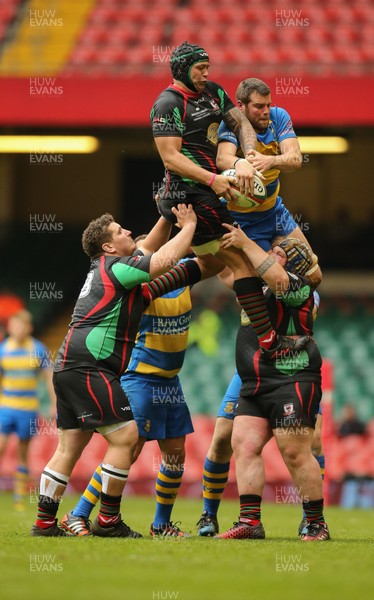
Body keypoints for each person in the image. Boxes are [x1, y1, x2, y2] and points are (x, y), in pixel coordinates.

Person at [30, 205, 198, 537]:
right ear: (108, 246)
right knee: (126, 437)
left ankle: (44, 522)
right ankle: (107, 520)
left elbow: (149, 249)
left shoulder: (108, 268)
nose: (127, 234)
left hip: (69, 364)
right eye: (120, 232)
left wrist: (165, 215)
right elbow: (160, 259)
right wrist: (189, 226)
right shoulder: (117, 266)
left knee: (68, 448)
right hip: (89, 365)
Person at [151, 41, 301, 362]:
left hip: (206, 192)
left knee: (214, 263)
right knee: (240, 263)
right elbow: (170, 158)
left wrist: (247, 156)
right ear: (181, 69)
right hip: (188, 193)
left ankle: (145, 291)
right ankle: (270, 341)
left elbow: (241, 123)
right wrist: (214, 179)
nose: (207, 73)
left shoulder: (214, 93)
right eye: (200, 68)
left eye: (208, 67)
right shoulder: (167, 104)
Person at [60, 247, 204, 537]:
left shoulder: (182, 275)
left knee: (175, 454)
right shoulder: (140, 287)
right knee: (130, 449)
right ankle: (77, 514)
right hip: (139, 378)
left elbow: (211, 264)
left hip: (170, 382)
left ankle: (161, 524)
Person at [210, 228, 330, 541]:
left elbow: (274, 276)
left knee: (294, 451)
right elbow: (222, 266)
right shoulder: (255, 287)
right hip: (254, 382)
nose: (269, 256)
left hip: (293, 378)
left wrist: (245, 241)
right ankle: (250, 522)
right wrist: (201, 232)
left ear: (294, 266)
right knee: (244, 445)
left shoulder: (297, 287)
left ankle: (317, 523)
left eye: (278, 254)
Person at [216, 76, 321, 287]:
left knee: (314, 275)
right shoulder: (230, 123)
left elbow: (295, 159)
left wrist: (270, 160)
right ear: (241, 106)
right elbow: (222, 158)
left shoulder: (278, 116)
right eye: (258, 106)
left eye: (268, 105)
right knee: (267, 284)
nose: (265, 111)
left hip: (274, 212)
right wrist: (240, 164)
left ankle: (303, 309)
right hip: (243, 221)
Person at [0, 309, 55, 510]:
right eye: (15, 325)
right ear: (10, 328)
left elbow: (48, 378)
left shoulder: (38, 349)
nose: (19, 329)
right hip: (6, 407)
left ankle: (18, 498)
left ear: (29, 328)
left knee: (23, 454)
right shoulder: (3, 349)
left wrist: (52, 404)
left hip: (28, 409)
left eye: (22, 325)